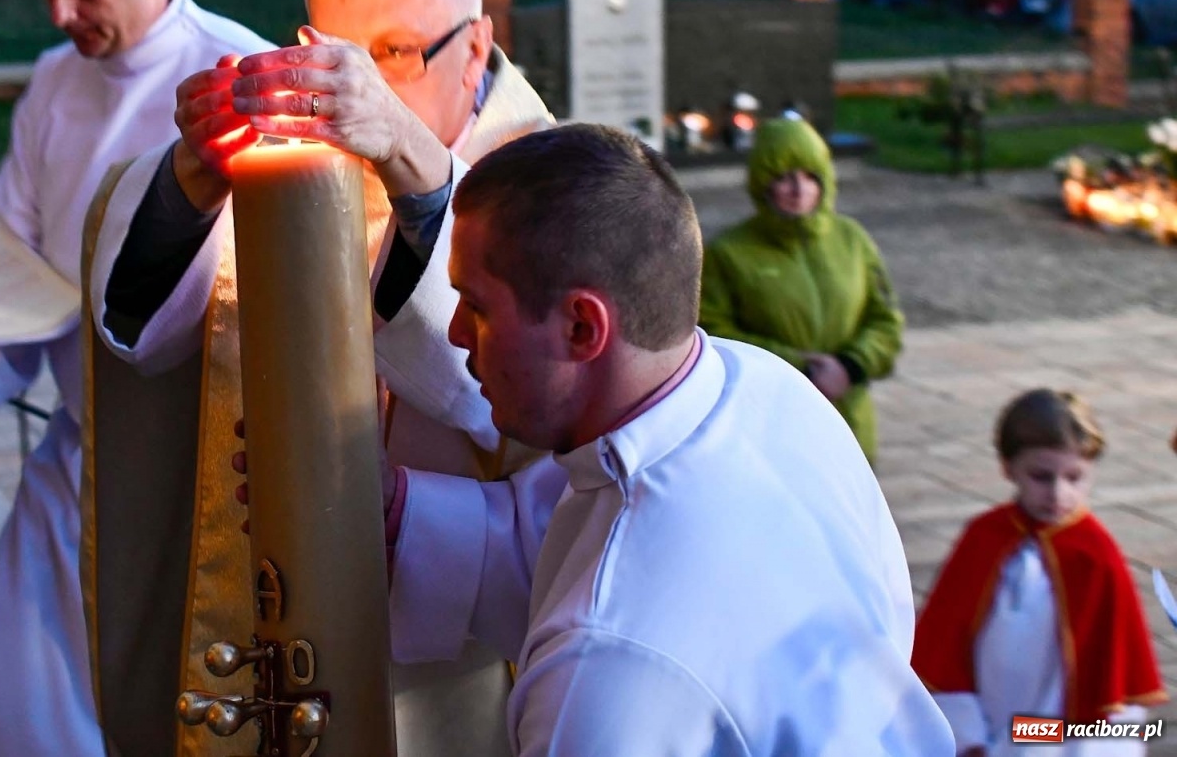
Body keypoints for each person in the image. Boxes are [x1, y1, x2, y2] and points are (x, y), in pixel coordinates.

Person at [83, 0, 551, 756]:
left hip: (448, 669)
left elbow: (489, 395)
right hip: (274, 626)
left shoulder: (551, 185)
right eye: (335, 53)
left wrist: (414, 166)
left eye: (395, 55)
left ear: (476, 48)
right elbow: (144, 335)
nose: (354, 89)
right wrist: (194, 175)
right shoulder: (288, 159)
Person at [384, 123, 954, 755]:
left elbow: (621, 598)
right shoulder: (766, 387)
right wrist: (393, 514)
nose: (458, 334)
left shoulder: (602, 673)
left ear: (581, 326)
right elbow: (567, 545)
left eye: (480, 308)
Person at [0, 0, 269, 756]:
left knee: (178, 693)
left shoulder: (232, 75)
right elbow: (7, 239)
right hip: (87, 437)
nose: (61, 16)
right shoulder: (59, 80)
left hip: (207, 454)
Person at [913, 390, 1166, 756]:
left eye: (1074, 477)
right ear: (1008, 467)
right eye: (1041, 476)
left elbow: (1114, 664)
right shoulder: (984, 538)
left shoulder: (1096, 554)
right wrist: (966, 731)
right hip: (992, 717)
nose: (1058, 492)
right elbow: (945, 643)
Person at [698, 116, 903, 462]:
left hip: (848, 422)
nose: (798, 189)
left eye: (810, 176)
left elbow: (885, 320)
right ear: (762, 185)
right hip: (772, 425)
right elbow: (714, 336)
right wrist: (798, 368)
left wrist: (851, 366)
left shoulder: (852, 240)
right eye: (783, 177)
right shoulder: (728, 254)